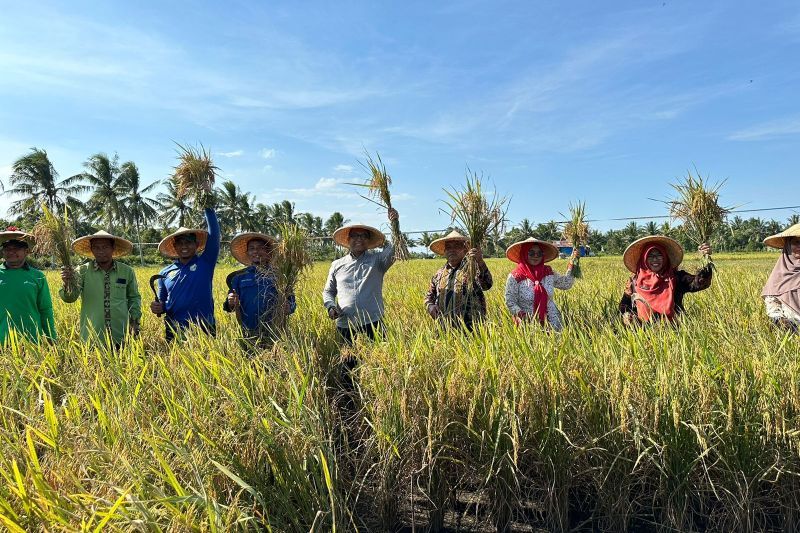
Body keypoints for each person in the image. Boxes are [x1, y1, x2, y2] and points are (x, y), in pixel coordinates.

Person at [322, 208, 398, 345]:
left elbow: (396, 247)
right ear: (348, 239)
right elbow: (328, 291)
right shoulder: (337, 265)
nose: (359, 239)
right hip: (345, 325)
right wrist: (330, 306)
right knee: (348, 364)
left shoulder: (378, 261)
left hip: (373, 324)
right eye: (355, 235)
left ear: (368, 241)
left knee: (377, 364)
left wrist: (395, 223)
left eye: (363, 236)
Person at [60, 231, 142, 347]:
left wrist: (135, 321)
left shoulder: (126, 271)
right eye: (96, 248)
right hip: (92, 336)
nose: (101, 251)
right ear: (91, 250)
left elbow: (134, 297)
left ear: (113, 248)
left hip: (120, 334)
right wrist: (67, 283)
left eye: (105, 247)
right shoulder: (82, 271)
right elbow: (70, 298)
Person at [150, 207, 221, 341]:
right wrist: (158, 307)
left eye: (188, 242)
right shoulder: (164, 273)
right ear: (175, 247)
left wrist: (208, 208)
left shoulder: (206, 262)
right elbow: (163, 302)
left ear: (197, 244)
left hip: (204, 327)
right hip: (174, 327)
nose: (184, 246)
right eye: (180, 243)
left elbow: (215, 236)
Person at [223, 232, 296, 347]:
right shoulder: (239, 277)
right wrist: (230, 301)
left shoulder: (280, 276)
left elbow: (292, 301)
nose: (256, 251)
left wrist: (289, 307)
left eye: (261, 248)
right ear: (248, 253)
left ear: (269, 252)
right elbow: (229, 307)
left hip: (276, 332)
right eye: (252, 249)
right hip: (248, 333)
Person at [619, 235, 712, 325]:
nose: (655, 259)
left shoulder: (676, 277)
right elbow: (624, 305)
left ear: (665, 257)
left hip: (674, 330)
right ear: (644, 259)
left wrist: (706, 260)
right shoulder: (634, 282)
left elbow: (700, 283)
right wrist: (628, 316)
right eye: (650, 256)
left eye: (659, 255)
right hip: (644, 332)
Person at [504, 238, 578, 331]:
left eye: (539, 253)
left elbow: (566, 284)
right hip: (529, 324)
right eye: (531, 253)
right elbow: (510, 301)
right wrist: (523, 316)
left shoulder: (548, 272)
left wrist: (573, 263)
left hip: (554, 322)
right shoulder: (515, 276)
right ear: (524, 253)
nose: (535, 256)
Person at [424, 230, 493, 330]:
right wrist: (430, 306)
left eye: (456, 246)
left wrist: (480, 261)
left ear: (465, 249)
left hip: (472, 330)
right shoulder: (438, 274)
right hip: (444, 330)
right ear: (444, 251)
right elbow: (429, 296)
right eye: (448, 247)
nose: (452, 250)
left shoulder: (472, 268)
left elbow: (487, 284)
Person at [0, 227, 56, 345]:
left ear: (27, 251)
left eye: (17, 248)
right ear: (3, 252)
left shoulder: (38, 276)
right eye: (7, 248)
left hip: (32, 342)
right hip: (2, 342)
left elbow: (45, 310)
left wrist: (52, 339)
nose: (11, 252)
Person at [761, 223, 800, 333]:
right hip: (791, 332)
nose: (799, 246)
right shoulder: (779, 274)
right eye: (796, 242)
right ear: (788, 245)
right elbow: (772, 305)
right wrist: (781, 322)